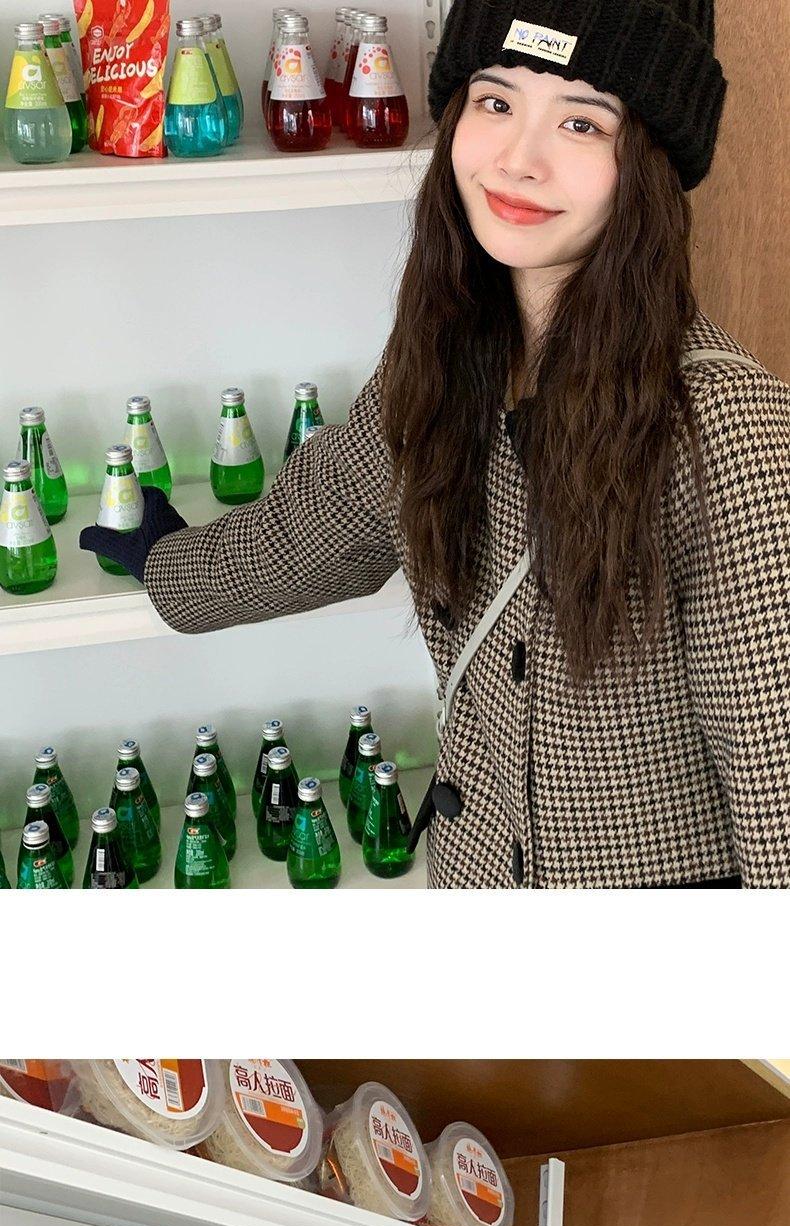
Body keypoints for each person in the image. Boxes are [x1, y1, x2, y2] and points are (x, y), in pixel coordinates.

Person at [81, 0, 790, 889]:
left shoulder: (728, 429)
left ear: (649, 162)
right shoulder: (445, 358)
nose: (518, 159)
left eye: (580, 122)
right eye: (495, 101)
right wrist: (167, 563)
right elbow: (315, 532)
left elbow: (776, 781)